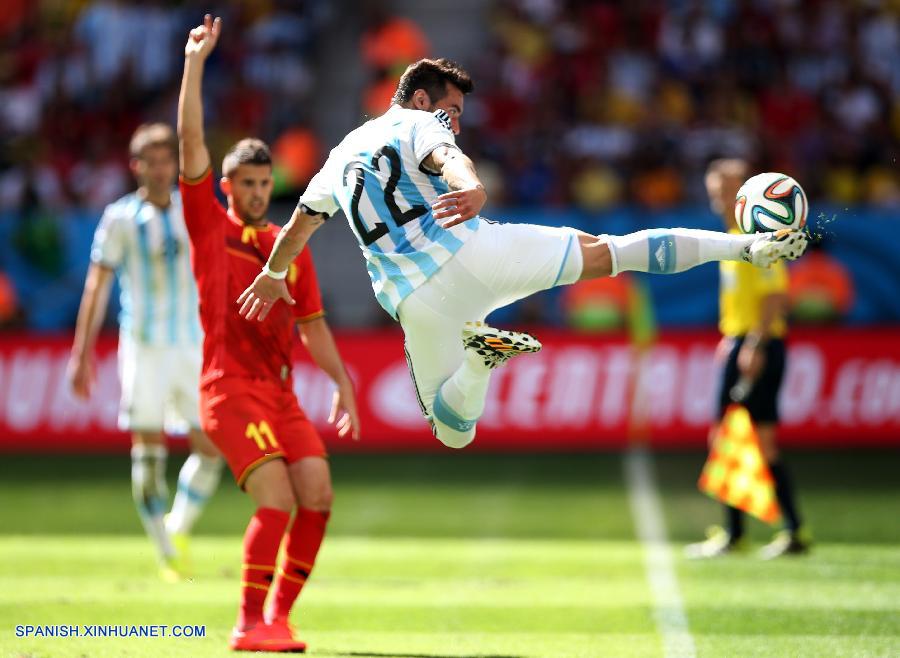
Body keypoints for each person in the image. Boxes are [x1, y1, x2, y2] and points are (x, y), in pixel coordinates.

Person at [239, 57, 807, 454]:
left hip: (416, 300)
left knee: (451, 429)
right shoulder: (418, 123)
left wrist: (272, 273)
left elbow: (297, 225)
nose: (455, 121)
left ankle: (481, 362)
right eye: (452, 109)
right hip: (473, 250)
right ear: (418, 99)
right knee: (613, 254)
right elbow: (446, 158)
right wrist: (474, 183)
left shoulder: (336, 158)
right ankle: (749, 247)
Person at [177, 15, 360, 653]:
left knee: (318, 495)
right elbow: (192, 139)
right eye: (246, 184)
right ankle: (248, 623)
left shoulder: (290, 246)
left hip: (279, 392)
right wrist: (195, 63)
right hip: (228, 389)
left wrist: (339, 378)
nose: (257, 192)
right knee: (276, 498)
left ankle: (279, 617)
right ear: (226, 187)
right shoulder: (208, 226)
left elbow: (312, 323)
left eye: (263, 183)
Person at [68, 122, 223, 582]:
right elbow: (96, 285)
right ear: (136, 166)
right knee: (148, 449)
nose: (159, 169)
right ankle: (165, 549)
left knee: (212, 446)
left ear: (175, 164)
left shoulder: (193, 210)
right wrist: (81, 353)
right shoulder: (119, 218)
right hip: (143, 347)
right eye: (150, 161)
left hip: (193, 347)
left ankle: (174, 531)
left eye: (166, 160)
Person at [685, 158, 810, 560]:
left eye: (725, 190)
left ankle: (736, 534)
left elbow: (775, 295)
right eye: (714, 191)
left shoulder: (756, 238)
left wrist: (752, 344)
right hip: (745, 341)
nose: (718, 198)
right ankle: (790, 531)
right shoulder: (735, 236)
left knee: (727, 438)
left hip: (757, 345)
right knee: (763, 443)